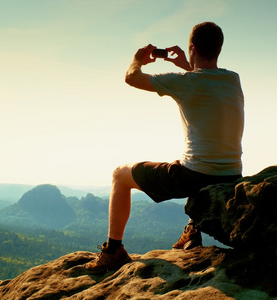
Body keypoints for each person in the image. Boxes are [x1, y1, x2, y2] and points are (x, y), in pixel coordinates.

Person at [83, 22, 244, 274]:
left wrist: (137, 59)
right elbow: (204, 78)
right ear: (219, 48)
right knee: (192, 158)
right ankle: (192, 231)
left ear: (192, 47)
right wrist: (185, 64)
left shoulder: (185, 82)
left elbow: (131, 78)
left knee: (119, 175)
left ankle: (114, 250)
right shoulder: (233, 80)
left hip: (195, 177)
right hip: (232, 175)